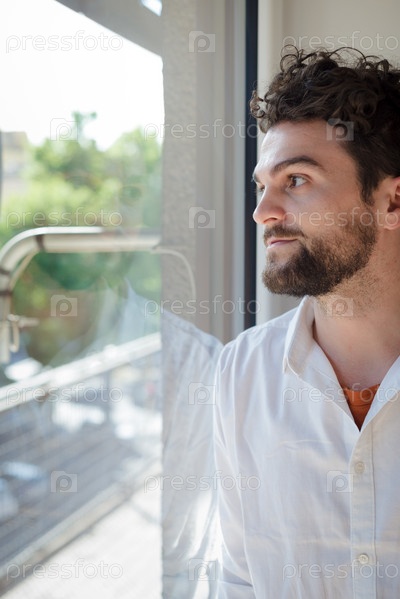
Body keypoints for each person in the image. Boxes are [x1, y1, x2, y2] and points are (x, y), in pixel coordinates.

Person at [214, 46, 400, 598]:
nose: (263, 212)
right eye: (262, 186)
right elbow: (238, 578)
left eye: (296, 179)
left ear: (392, 202)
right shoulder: (241, 372)